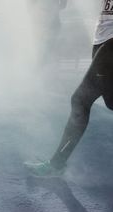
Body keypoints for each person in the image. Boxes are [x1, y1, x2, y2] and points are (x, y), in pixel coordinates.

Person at [25, 0, 113, 176]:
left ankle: (56, 164)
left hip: (110, 43)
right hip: (102, 35)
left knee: (80, 100)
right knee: (109, 103)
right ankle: (56, 164)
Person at [27, 0, 67, 67]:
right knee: (47, 44)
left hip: (45, 18)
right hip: (47, 18)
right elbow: (63, 4)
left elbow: (30, 5)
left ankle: (41, 64)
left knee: (44, 44)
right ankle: (42, 63)